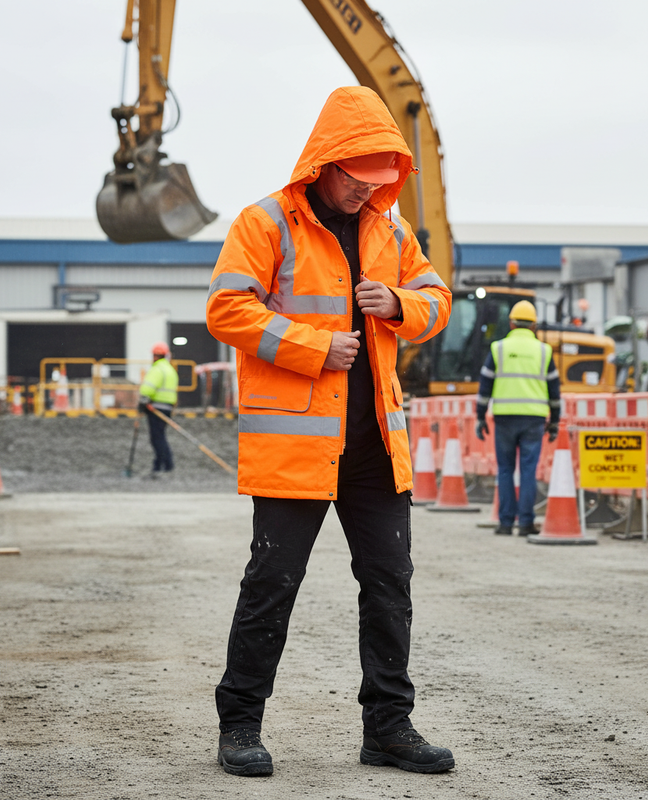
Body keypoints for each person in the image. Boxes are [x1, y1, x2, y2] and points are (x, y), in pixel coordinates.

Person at [205, 86, 454, 777]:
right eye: (359, 178)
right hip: (298, 447)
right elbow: (226, 309)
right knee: (272, 583)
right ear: (327, 164)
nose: (369, 191)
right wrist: (315, 346)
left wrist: (399, 302)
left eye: (382, 179)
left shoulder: (391, 229)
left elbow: (437, 298)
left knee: (389, 586)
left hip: (375, 447)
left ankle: (389, 728)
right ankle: (241, 726)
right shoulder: (266, 224)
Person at [475, 300, 561, 536]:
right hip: (533, 419)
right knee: (528, 471)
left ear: (511, 323)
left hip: (504, 418)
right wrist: (555, 421)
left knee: (505, 470)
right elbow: (555, 391)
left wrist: (480, 417)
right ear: (533, 326)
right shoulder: (544, 351)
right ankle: (525, 523)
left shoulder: (498, 348)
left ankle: (505, 523)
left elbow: (485, 386)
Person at [138, 340, 178, 476]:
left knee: (157, 438)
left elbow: (147, 389)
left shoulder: (157, 369)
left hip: (155, 408)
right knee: (161, 436)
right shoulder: (170, 370)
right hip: (167, 408)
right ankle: (167, 464)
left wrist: (142, 401)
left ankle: (160, 465)